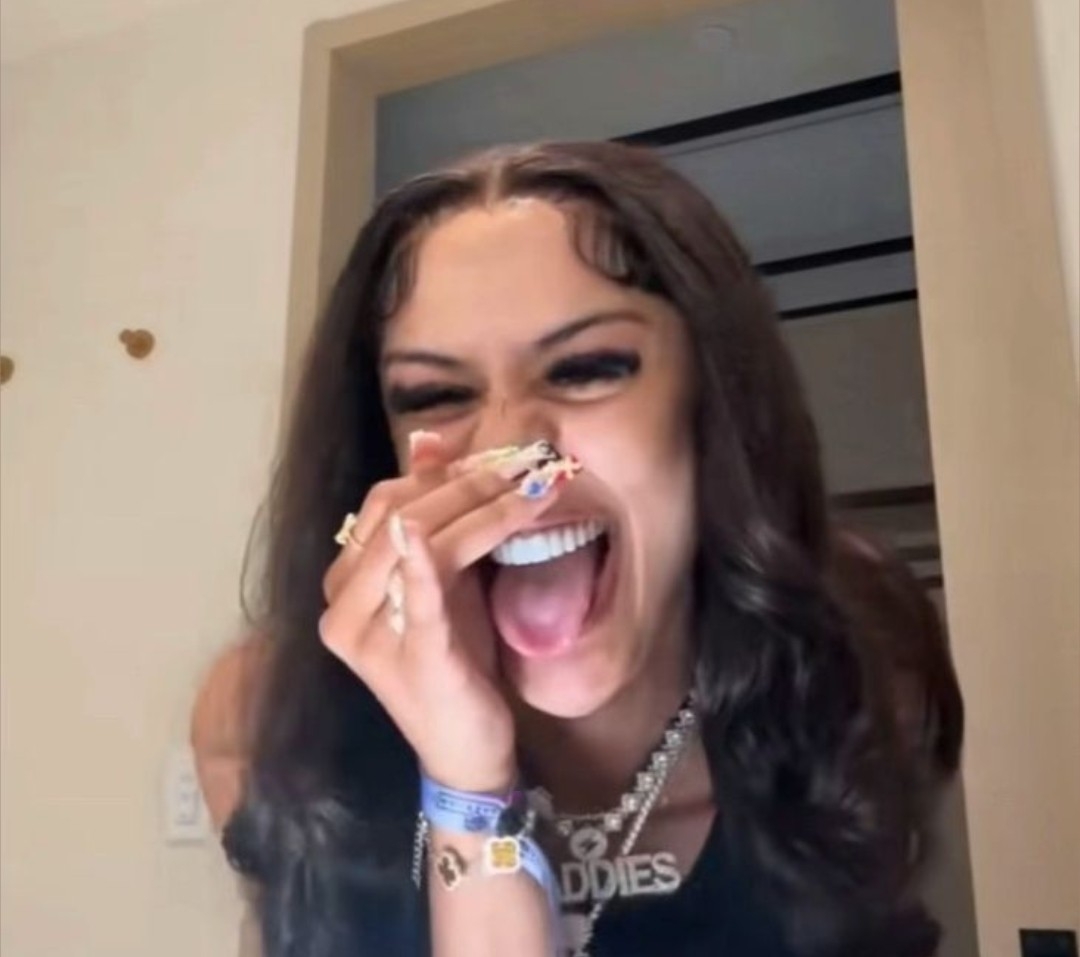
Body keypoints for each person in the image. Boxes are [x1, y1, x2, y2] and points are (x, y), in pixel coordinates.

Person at [199, 141, 963, 957]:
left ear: (712, 403)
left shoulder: (861, 654)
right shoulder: (265, 721)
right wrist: (466, 783)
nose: (507, 446)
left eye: (586, 367)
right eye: (435, 393)